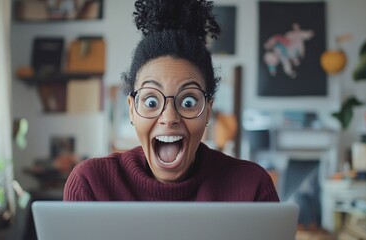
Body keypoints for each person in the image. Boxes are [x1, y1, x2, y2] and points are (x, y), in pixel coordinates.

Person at [64, 0, 279, 202]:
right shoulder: (90, 184)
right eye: (151, 102)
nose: (169, 118)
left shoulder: (252, 187)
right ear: (131, 109)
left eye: (188, 102)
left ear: (208, 111)